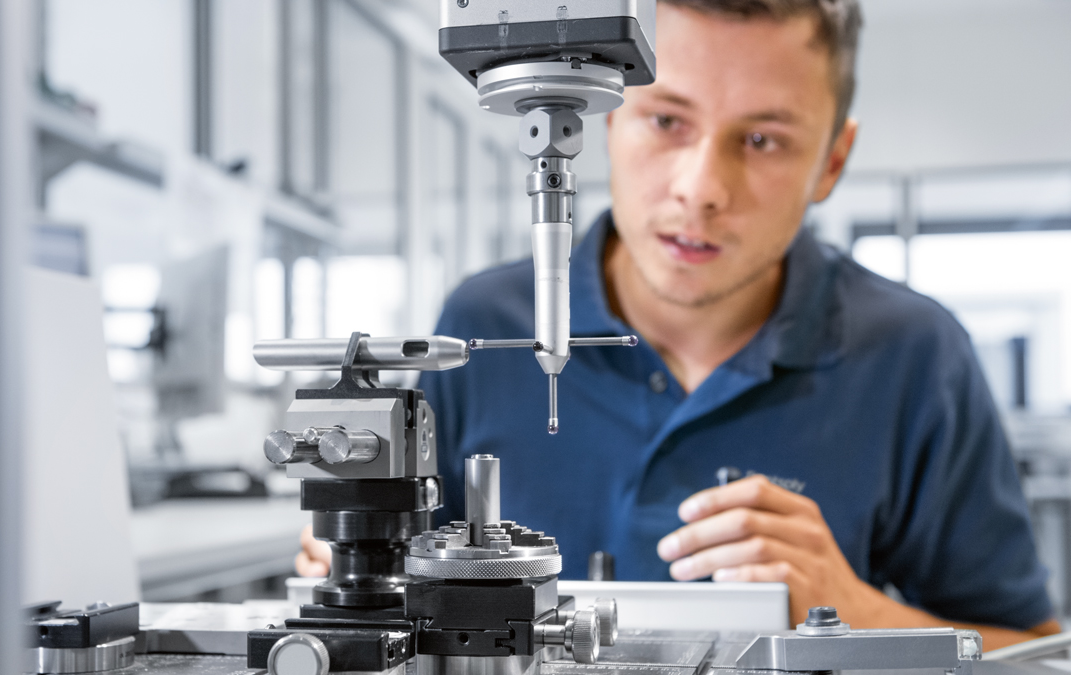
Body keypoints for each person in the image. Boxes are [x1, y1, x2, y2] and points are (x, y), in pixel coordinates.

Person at [297, 0, 1059, 649]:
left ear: (832, 161)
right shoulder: (481, 322)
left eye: (762, 140)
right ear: (604, 118)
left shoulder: (915, 355)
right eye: (666, 119)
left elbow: (1031, 651)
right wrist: (364, 567)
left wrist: (853, 611)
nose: (701, 189)